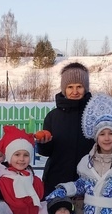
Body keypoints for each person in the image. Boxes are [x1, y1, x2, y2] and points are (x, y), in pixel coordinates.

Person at [37, 62, 94, 197]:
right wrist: (44, 143)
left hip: (88, 181)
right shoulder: (53, 117)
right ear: (64, 89)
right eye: (70, 87)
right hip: (57, 180)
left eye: (79, 86)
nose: (74, 91)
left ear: (85, 88)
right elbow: (46, 152)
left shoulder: (93, 115)